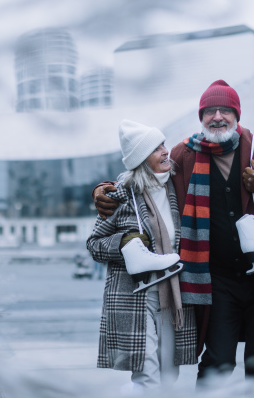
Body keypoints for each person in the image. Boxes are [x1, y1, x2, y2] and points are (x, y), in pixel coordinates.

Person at [93, 80, 254, 392]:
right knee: (218, 361)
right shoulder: (185, 153)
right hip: (216, 280)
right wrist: (104, 189)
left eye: (225, 110)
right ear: (201, 117)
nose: (217, 117)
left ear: (237, 115)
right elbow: (144, 173)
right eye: (209, 111)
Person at [86, 119, 197, 391]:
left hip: (173, 293)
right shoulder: (122, 195)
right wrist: (125, 242)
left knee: (170, 375)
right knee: (147, 375)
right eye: (155, 148)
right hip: (135, 295)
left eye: (163, 144)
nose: (164, 151)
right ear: (140, 159)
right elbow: (94, 244)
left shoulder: (177, 189)